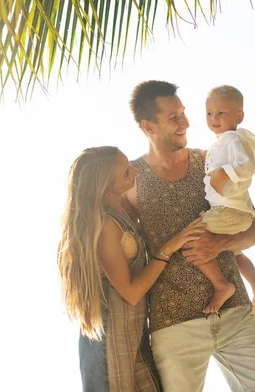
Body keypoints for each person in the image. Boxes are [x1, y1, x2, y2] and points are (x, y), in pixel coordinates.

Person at [124, 81, 255, 392]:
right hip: (174, 323)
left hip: (235, 312)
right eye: (174, 117)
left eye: (184, 113)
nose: (186, 122)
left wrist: (221, 244)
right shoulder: (130, 180)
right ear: (148, 125)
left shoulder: (210, 162)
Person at [57, 146, 206, 392]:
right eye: (126, 171)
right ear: (105, 182)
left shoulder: (121, 212)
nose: (135, 170)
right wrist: (170, 247)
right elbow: (131, 292)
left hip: (134, 337)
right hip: (110, 345)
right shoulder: (104, 225)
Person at [196, 84, 255, 316]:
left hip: (228, 211)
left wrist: (224, 173)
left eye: (221, 113)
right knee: (236, 255)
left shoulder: (231, 139)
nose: (213, 118)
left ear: (239, 116)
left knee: (192, 238)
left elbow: (248, 166)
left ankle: (221, 285)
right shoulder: (222, 141)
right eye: (209, 113)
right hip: (236, 212)